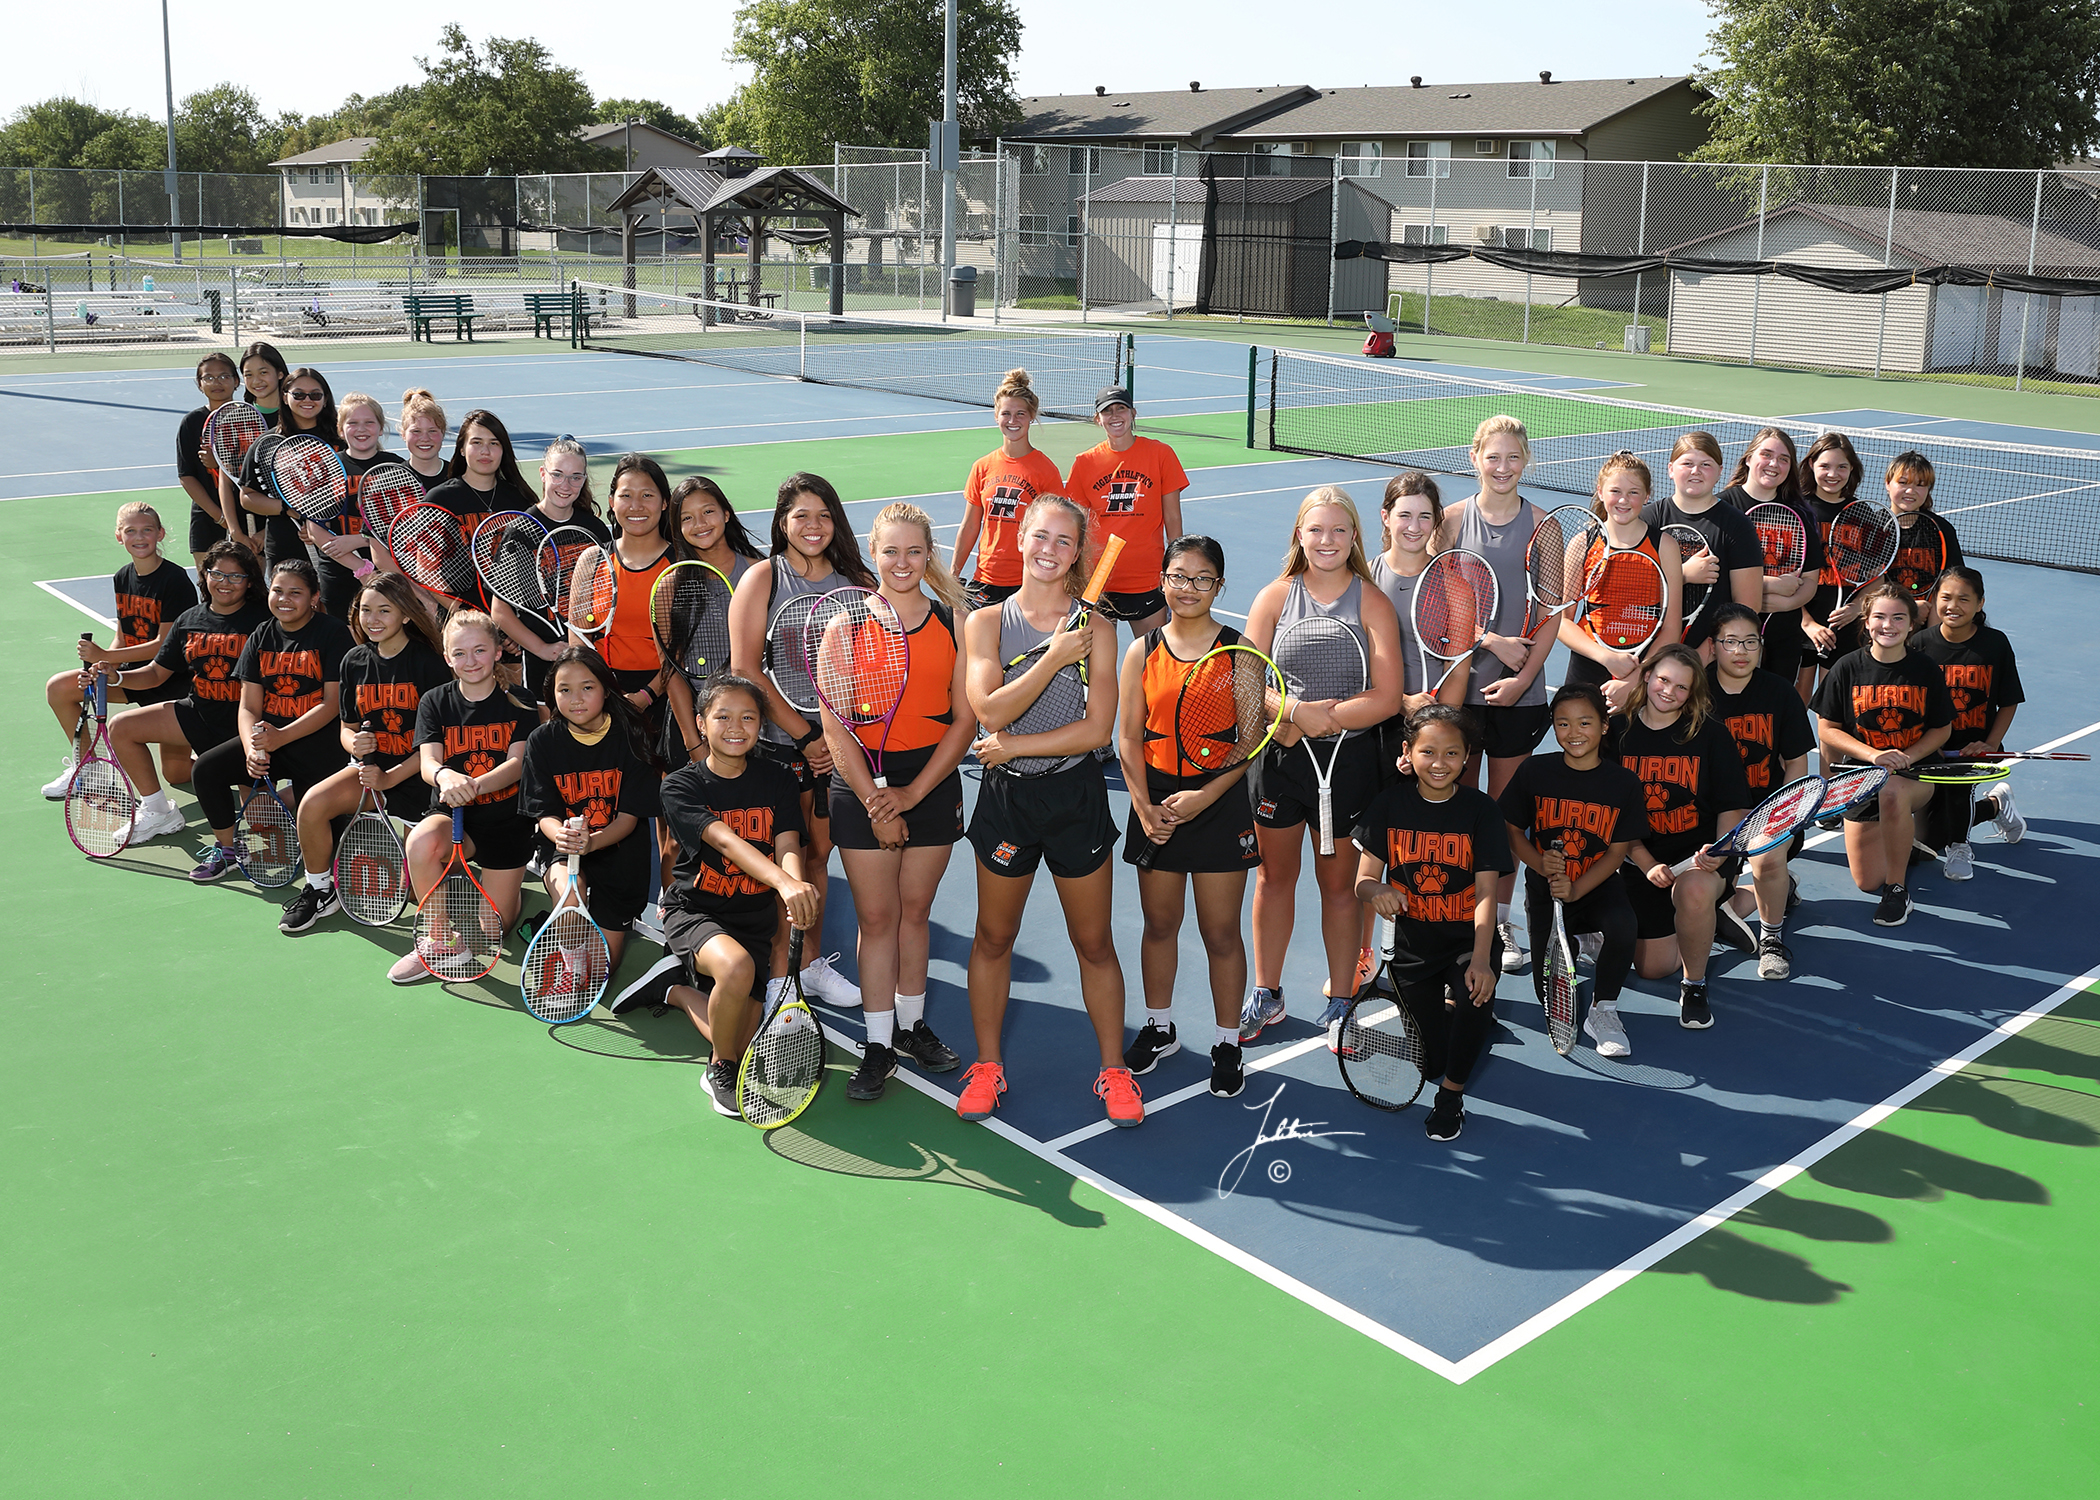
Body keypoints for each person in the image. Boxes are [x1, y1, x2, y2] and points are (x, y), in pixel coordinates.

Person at [957, 494, 1137, 1126]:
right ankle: (987, 1065)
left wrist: (1014, 748)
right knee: (993, 936)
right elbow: (989, 710)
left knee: (1094, 942)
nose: (1049, 550)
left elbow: (1096, 733)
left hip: (1075, 797)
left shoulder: (1103, 630)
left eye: (1063, 541)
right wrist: (1056, 657)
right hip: (1007, 803)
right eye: (1040, 536)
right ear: (1020, 538)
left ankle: (1114, 1071)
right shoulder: (986, 623)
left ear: (1079, 553)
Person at [821, 502, 975, 1101]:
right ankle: (878, 1042)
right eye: (891, 551)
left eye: (915, 551)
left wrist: (913, 792)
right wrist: (876, 801)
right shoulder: (844, 626)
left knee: (915, 911)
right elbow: (836, 730)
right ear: (873, 553)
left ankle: (911, 1028)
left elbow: (963, 721)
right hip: (861, 781)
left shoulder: (952, 621)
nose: (903, 562)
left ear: (928, 555)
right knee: (877, 917)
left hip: (930, 779)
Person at [1241, 487, 1405, 1042]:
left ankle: (1341, 997)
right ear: (1298, 535)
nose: (1327, 540)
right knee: (1272, 877)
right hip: (1281, 761)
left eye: (1339, 530)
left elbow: (1386, 695)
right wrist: (1288, 710)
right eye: (1316, 530)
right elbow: (1245, 679)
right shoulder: (1274, 598)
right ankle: (1267, 992)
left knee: (1339, 888)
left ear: (1355, 536)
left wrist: (1323, 718)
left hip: (1350, 764)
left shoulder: (1372, 602)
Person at [1118, 535, 1264, 1097]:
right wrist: (1143, 806)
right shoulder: (1141, 650)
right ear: (1162, 580)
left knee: (1221, 931)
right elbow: (1128, 738)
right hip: (1154, 801)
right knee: (1159, 924)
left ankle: (1228, 1041)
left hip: (1219, 804)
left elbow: (1250, 742)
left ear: (1219, 586)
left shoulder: (1241, 652)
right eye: (1178, 576)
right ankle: (1159, 1028)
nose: (1188, 588)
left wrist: (1204, 796)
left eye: (1202, 579)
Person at [725, 472, 873, 1010]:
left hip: (839, 748)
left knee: (818, 857)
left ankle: (808, 966)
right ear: (782, 522)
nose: (814, 526)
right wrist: (806, 734)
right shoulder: (763, 578)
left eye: (824, 515)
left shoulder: (858, 581)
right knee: (777, 859)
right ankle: (773, 972)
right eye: (801, 516)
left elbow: (871, 667)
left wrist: (835, 739)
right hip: (776, 747)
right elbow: (746, 671)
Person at [648, 674, 819, 1118]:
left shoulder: (778, 778)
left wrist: (794, 885)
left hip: (753, 916)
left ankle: (677, 991)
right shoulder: (680, 785)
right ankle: (719, 1069)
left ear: (762, 725)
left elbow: (787, 843)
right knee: (736, 971)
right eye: (722, 717)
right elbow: (726, 842)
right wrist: (783, 884)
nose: (736, 727)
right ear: (701, 723)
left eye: (748, 717)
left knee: (742, 1032)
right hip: (694, 911)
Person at [1432, 415, 1560, 974]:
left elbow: (1553, 614)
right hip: (1460, 692)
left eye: (1513, 458)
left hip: (1518, 698)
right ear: (1474, 456)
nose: (1503, 467)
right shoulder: (1451, 521)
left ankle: (1500, 921)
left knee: (1505, 816)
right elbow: (1433, 604)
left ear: (1525, 460)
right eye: (1493, 456)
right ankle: (1456, 911)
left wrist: (1525, 675)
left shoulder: (1545, 526)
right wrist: (1489, 641)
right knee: (1455, 806)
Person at [1351, 705, 1512, 1141]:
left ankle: (1451, 1099)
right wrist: (1376, 891)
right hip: (1412, 945)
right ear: (1408, 752)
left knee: (1474, 995)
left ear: (1466, 758)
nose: (1439, 763)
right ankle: (1452, 1019)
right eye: (1428, 751)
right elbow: (1363, 881)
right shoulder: (1388, 804)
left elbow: (1485, 893)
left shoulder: (1481, 812)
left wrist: (1483, 959)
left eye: (1451, 753)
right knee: (1432, 1061)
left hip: (1465, 938)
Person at [278, 573, 449, 933]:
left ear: (405, 614)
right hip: (370, 773)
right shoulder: (353, 661)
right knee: (311, 805)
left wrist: (389, 777)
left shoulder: (430, 664)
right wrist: (353, 745)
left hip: (420, 777)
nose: (372, 620)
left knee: (429, 889)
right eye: (366, 610)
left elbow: (440, 745)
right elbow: (347, 727)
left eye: (384, 610)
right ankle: (321, 889)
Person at [1499, 683, 1649, 1058]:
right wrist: (1538, 863)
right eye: (1563, 724)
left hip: (1595, 886)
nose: (1574, 732)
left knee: (1623, 925)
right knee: (1545, 991)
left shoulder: (1623, 783)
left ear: (1603, 727)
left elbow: (1617, 853)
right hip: (1545, 892)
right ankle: (1580, 942)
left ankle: (1603, 1009)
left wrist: (1578, 889)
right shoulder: (1535, 771)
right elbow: (1511, 830)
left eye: (1585, 722)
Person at [388, 610, 537, 983]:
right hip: (456, 819)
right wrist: (445, 775)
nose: (470, 661)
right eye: (459, 653)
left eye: (479, 650)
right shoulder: (435, 701)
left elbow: (518, 764)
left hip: (507, 822)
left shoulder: (521, 701)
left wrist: (473, 785)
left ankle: (508, 889)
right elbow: (428, 764)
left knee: (493, 927)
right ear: (446, 657)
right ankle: (439, 939)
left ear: (498, 652)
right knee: (420, 842)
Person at [186, 560, 355, 885]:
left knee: (324, 844)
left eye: (296, 592)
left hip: (319, 745)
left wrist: (281, 737)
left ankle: (321, 875)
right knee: (207, 769)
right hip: (272, 740)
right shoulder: (262, 634)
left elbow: (331, 704)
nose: (284, 599)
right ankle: (229, 850)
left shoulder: (332, 633)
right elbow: (248, 706)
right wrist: (253, 747)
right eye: (278, 590)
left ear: (314, 597)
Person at [1610, 644, 1752, 1030]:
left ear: (1694, 694)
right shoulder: (1618, 731)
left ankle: (1695, 985)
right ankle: (1718, 914)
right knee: (1652, 968)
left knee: (1692, 894)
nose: (1669, 691)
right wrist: (1643, 859)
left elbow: (1733, 806)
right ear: (1647, 677)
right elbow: (1610, 811)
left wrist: (1721, 852)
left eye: (1682, 687)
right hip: (1641, 858)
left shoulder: (1711, 735)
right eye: (1663, 679)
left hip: (1698, 855)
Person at [102, 541, 270, 843]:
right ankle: (158, 810)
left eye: (236, 577)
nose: (225, 583)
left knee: (261, 821)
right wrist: (117, 677)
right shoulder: (189, 619)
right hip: (198, 712)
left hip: (242, 726)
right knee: (123, 727)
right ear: (205, 575)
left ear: (249, 582)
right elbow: (155, 674)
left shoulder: (264, 621)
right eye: (218, 574)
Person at [1810, 581, 1954, 927]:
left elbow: (1942, 728)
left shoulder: (1924, 670)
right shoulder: (1846, 668)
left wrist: (1909, 755)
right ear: (1866, 619)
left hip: (1914, 774)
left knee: (1891, 794)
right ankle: (1901, 840)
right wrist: (1874, 755)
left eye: (1898, 618)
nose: (1888, 626)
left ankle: (1898, 890)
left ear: (1912, 624)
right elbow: (1827, 730)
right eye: (1880, 617)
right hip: (1861, 775)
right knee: (1865, 881)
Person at [519, 647, 662, 982]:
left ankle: (556, 925)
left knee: (596, 976)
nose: (576, 698)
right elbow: (544, 814)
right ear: (552, 695)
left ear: (605, 689)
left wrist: (592, 843)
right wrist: (563, 837)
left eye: (587, 687)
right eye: (564, 690)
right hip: (564, 850)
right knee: (571, 900)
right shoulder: (542, 741)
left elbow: (628, 821)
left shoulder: (630, 735)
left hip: (620, 856)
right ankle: (566, 937)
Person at [42, 502, 196, 797]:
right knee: (60, 688)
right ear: (119, 536)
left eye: (147, 530)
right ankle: (91, 768)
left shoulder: (174, 580)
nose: (139, 537)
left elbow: (165, 645)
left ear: (160, 533)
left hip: (173, 682)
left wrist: (106, 656)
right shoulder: (123, 577)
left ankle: (221, 765)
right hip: (133, 676)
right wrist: (105, 667)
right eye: (131, 531)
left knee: (176, 774)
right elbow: (124, 635)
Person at [1706, 603, 1816, 978]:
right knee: (1700, 902)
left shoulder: (1779, 693)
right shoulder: (1695, 693)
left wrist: (1785, 813)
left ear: (1761, 646)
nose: (1740, 651)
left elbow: (1797, 762)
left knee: (1767, 857)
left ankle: (1771, 938)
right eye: (1730, 641)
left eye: (1750, 642)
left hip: (1766, 809)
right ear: (1713, 645)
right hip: (1711, 815)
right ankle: (1769, 891)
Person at [1910, 566, 2025, 880]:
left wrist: (1989, 744)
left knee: (1957, 800)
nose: (1953, 605)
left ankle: (1960, 847)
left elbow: (2009, 700)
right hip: (1931, 749)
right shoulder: (1919, 644)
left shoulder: (1995, 644)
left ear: (1980, 604)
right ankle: (1995, 806)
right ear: (1934, 600)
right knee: (1930, 841)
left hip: (1973, 748)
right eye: (1946, 597)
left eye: (1964, 599)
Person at [1557, 450, 1685, 713]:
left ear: (1647, 496)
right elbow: (1563, 621)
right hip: (1589, 663)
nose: (1624, 500)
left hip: (1646, 667)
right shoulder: (1583, 543)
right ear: (1600, 491)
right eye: (1615, 491)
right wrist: (1608, 658)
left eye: (1634, 492)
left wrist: (1638, 677)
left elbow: (1672, 629)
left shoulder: (1664, 546)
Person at [489, 436, 614, 706]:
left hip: (591, 654)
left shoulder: (595, 529)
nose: (566, 485)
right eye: (557, 474)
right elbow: (500, 611)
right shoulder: (520, 532)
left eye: (575, 477)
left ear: (583, 480)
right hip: (542, 662)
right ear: (543, 474)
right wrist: (542, 648)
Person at [1064, 384, 1188, 636]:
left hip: (1146, 578)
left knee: (1151, 660)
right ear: (1098, 419)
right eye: (1107, 411)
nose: (1115, 416)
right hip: (1098, 580)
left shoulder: (1161, 454)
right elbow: (1075, 525)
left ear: (1133, 413)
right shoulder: (1084, 462)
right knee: (1098, 666)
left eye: (1121, 409)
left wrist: (1177, 567)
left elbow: (1173, 517)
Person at [659, 476, 763, 774]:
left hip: (751, 726)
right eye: (687, 518)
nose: (700, 523)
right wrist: (694, 742)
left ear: (726, 514)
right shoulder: (669, 586)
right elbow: (671, 670)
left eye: (708, 511)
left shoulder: (759, 573)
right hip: (693, 728)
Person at [573, 454, 675, 744]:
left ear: (664, 502)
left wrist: (646, 695)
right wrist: (602, 692)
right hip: (601, 697)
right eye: (626, 495)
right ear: (611, 501)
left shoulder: (680, 565)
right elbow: (578, 641)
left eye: (647, 495)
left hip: (664, 698)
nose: (636, 506)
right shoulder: (592, 560)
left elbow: (683, 650)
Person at [952, 368, 1064, 611]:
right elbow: (970, 525)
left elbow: (1058, 532)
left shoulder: (1045, 471)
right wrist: (954, 573)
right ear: (996, 416)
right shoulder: (982, 467)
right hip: (986, 579)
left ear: (1031, 416)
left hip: (1028, 580)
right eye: (1006, 414)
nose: (1013, 421)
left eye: (1020, 414)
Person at [1641, 431, 1762, 657]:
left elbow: (1748, 607)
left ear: (1719, 472)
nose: (1695, 471)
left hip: (1709, 658)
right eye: (1687, 463)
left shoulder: (1737, 525)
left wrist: (1706, 655)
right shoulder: (1647, 520)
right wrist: (1683, 575)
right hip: (1646, 651)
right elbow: (1628, 587)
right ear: (1670, 469)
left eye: (1705, 464)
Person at [1718, 427, 1822, 686]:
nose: (1774, 464)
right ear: (1749, 458)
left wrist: (1786, 604)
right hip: (1730, 637)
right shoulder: (1721, 507)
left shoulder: (1800, 514)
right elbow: (1716, 574)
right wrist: (1768, 588)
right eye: (1766, 454)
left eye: (1784, 459)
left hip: (1783, 638)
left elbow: (1810, 581)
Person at [300, 391, 403, 619]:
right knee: (346, 637)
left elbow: (406, 527)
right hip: (340, 572)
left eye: (369, 422)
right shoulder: (327, 467)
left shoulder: (397, 467)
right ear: (340, 428)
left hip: (389, 570)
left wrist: (360, 540)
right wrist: (361, 569)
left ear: (380, 426)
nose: (361, 429)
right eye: (353, 423)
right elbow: (315, 529)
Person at [237, 366, 337, 571]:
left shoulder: (341, 439)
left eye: (315, 395)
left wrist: (322, 526)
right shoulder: (268, 443)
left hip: (335, 544)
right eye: (298, 394)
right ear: (284, 397)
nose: (307, 400)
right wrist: (286, 509)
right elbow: (247, 497)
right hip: (283, 544)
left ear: (325, 399)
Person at [1799, 431, 1865, 697]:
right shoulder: (1797, 509)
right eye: (1825, 465)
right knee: (1796, 701)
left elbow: (1877, 576)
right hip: (1799, 624)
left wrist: (1857, 608)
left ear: (1852, 470)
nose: (1833, 473)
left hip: (1844, 628)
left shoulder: (1861, 513)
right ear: (1812, 465)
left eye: (1842, 467)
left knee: (1830, 708)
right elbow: (1783, 572)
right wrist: (1806, 622)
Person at [425, 408, 534, 557]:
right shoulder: (440, 500)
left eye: (494, 443)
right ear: (462, 449)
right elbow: (425, 566)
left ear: (503, 450)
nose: (485, 451)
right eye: (477, 442)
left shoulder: (520, 499)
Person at [217, 342, 287, 556]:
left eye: (263, 372)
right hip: (246, 529)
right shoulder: (235, 419)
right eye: (248, 375)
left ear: (281, 374)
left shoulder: (296, 418)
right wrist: (236, 531)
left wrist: (267, 532)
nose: (256, 381)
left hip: (289, 527)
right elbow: (226, 479)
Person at [174, 352, 241, 575]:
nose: (216, 383)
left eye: (223, 376)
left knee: (251, 587)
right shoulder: (192, 423)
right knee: (209, 587)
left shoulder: (248, 418)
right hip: (207, 518)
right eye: (208, 378)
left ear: (236, 381)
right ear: (199, 384)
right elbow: (187, 476)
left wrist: (219, 463)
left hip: (246, 515)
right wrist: (219, 517)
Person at [1885, 451, 1966, 599]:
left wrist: (1930, 612)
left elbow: (1953, 582)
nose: (1910, 491)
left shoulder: (1941, 529)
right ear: (1888, 483)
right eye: (1903, 482)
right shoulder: (1872, 526)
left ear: (1928, 489)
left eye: (1920, 485)